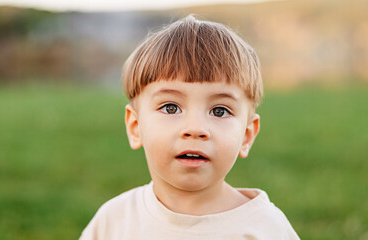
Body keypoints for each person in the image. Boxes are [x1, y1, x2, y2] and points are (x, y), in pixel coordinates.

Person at [79, 14, 300, 239]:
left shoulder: (265, 229)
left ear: (246, 135)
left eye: (219, 111)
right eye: (171, 108)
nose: (195, 128)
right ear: (136, 127)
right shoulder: (114, 220)